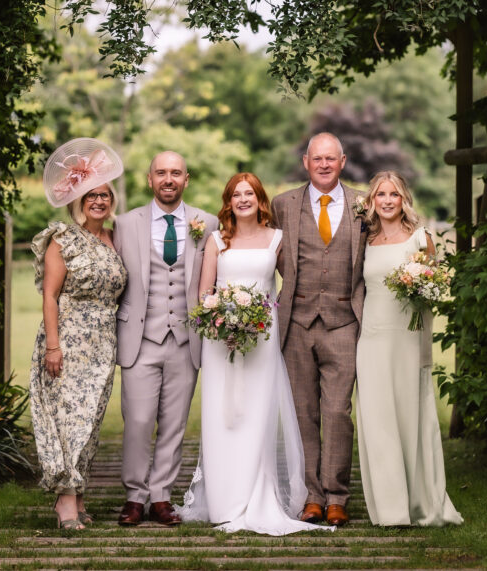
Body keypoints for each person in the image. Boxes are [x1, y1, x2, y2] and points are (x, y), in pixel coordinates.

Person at [179, 173, 330, 535]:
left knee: (258, 416)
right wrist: (222, 319)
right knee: (224, 415)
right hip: (222, 341)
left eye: (249, 193)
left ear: (259, 199)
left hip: (262, 338)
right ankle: (224, 501)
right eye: (235, 194)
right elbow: (204, 294)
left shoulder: (277, 240)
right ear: (228, 201)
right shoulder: (216, 240)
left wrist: (264, 315)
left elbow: (291, 284)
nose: (242, 199)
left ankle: (256, 495)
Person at [113, 151, 219, 526]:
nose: (168, 179)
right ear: (150, 179)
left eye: (175, 173)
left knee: (174, 422)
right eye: (161, 173)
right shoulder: (125, 224)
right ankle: (134, 496)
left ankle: (161, 497)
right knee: (139, 420)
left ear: (186, 179)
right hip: (140, 337)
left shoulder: (207, 222)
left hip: (186, 338)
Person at [29, 138, 127, 530]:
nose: (98, 201)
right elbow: (50, 297)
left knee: (90, 422)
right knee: (68, 420)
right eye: (91, 195)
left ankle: (79, 492)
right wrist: (53, 346)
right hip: (67, 341)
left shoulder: (115, 238)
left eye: (104, 194)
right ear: (77, 198)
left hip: (103, 344)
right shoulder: (62, 239)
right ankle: (65, 502)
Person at [356, 171, 462, 527]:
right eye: (381, 194)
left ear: (404, 200)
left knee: (410, 419)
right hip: (371, 341)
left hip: (406, 338)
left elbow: (432, 290)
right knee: (377, 421)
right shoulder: (364, 240)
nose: (387, 201)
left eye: (394, 195)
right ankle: (390, 510)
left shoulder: (421, 239)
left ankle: (420, 502)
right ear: (371, 200)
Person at [271, 132, 367, 527]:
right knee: (303, 412)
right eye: (317, 158)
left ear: (342, 161)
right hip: (297, 321)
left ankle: (337, 496)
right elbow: (266, 250)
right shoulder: (283, 204)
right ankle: (312, 495)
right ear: (306, 161)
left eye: (331, 158)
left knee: (337, 413)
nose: (324, 165)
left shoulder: (365, 202)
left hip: (344, 322)